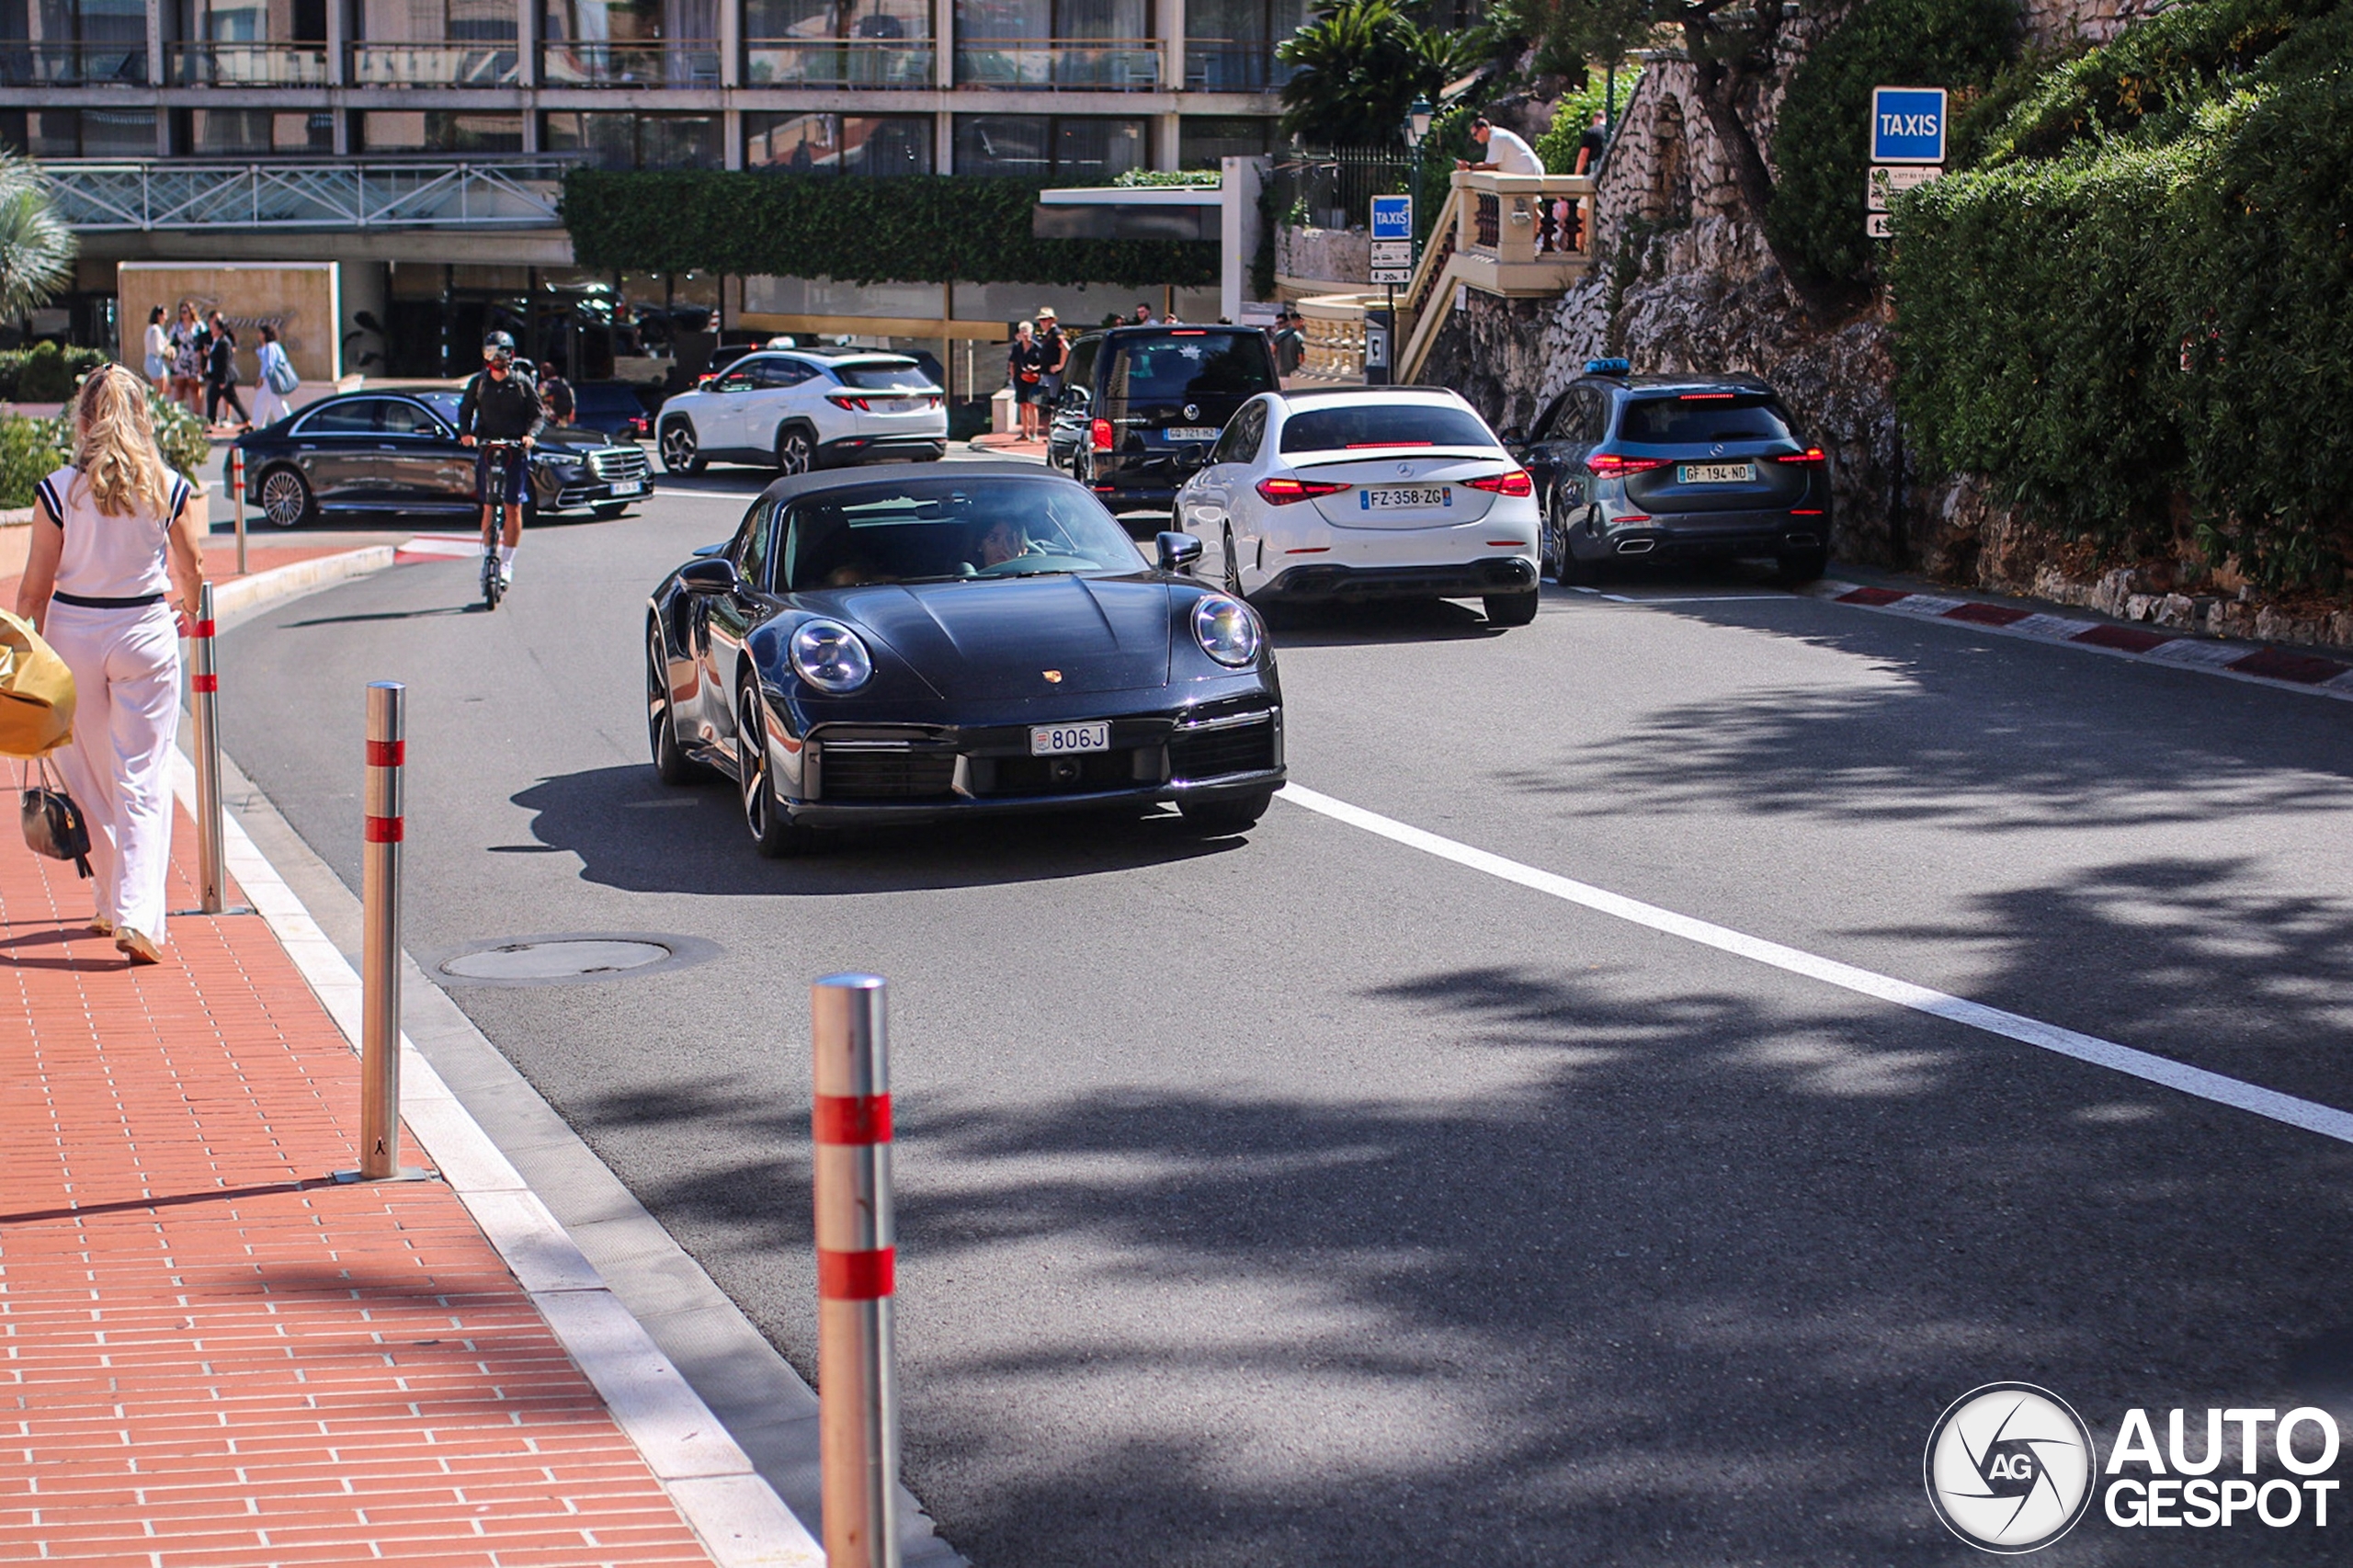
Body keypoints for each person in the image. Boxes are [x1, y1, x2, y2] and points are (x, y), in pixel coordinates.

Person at [11, 364, 208, 967]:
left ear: (86, 418)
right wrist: (191, 614)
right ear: (141, 417)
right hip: (144, 633)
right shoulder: (167, 486)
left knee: (89, 778)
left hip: (74, 637)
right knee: (140, 780)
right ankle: (131, 915)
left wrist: (22, 669)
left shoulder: (60, 489)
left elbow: (33, 591)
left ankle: (115, 904)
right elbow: (192, 567)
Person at [456, 330, 542, 588]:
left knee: (512, 505)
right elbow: (465, 410)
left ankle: (506, 562)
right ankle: (489, 554)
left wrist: (530, 436)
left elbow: (537, 415)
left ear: (511, 355)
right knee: (489, 505)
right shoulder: (479, 383)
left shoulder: (521, 382)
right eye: (490, 353)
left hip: (514, 451)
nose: (496, 359)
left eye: (501, 353)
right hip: (487, 448)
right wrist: (466, 434)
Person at [202, 311, 249, 432]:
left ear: (220, 330)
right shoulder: (216, 342)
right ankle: (246, 420)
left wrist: (223, 380)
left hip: (223, 377)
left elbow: (225, 363)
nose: (211, 330)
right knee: (227, 399)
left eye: (214, 328)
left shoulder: (224, 343)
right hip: (217, 376)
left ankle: (210, 424)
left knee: (215, 398)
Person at [1458, 114, 1545, 176]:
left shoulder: (1497, 138)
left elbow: (1492, 166)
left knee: (1523, 202)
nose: (1474, 138)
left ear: (1483, 130)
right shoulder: (1494, 137)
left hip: (1527, 172)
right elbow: (1489, 163)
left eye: (1475, 134)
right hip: (1528, 171)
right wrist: (1470, 166)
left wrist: (1470, 166)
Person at [249, 322, 295, 427]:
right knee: (263, 402)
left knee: (275, 403)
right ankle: (258, 424)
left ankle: (285, 423)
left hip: (270, 380)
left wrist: (260, 379)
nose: (258, 335)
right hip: (271, 380)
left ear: (265, 334)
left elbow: (267, 365)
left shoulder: (270, 347)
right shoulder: (275, 346)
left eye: (260, 333)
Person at [1006, 320, 1046, 441]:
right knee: (1023, 405)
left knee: (1032, 405)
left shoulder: (1037, 347)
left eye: (1027, 331)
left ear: (1031, 332)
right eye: (1022, 331)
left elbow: (1043, 364)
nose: (1024, 334)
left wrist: (1034, 369)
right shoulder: (1016, 347)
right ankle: (1025, 432)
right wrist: (1013, 377)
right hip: (1020, 379)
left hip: (1033, 379)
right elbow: (1012, 363)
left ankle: (1034, 433)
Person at [168, 303, 203, 412]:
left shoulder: (198, 326)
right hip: (180, 360)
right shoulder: (177, 326)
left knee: (195, 388)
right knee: (179, 388)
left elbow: (205, 341)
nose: (183, 315)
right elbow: (169, 340)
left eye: (185, 312)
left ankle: (197, 415)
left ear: (191, 312)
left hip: (194, 360)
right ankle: (178, 415)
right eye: (181, 312)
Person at [1036, 307, 1067, 406]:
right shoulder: (1048, 334)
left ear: (1051, 320)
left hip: (1053, 376)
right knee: (1047, 403)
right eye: (1041, 320)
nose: (1042, 323)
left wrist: (1060, 365)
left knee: (1054, 403)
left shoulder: (1056, 333)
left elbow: (1066, 348)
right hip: (1046, 374)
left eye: (1045, 320)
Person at [140, 306, 170, 397]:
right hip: (155, 361)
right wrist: (167, 349)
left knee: (165, 388)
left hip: (153, 361)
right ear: (159, 316)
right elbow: (157, 350)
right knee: (159, 391)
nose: (166, 318)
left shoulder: (151, 329)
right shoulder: (155, 330)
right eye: (164, 315)